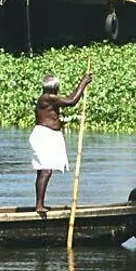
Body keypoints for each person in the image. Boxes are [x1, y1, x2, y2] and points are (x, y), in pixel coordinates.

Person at [30, 71, 92, 216]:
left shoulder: (51, 99)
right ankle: (39, 205)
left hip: (49, 135)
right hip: (43, 136)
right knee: (45, 170)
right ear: (53, 88)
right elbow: (71, 102)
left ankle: (40, 204)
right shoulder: (47, 98)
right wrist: (83, 83)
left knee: (44, 171)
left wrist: (81, 84)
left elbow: (69, 98)